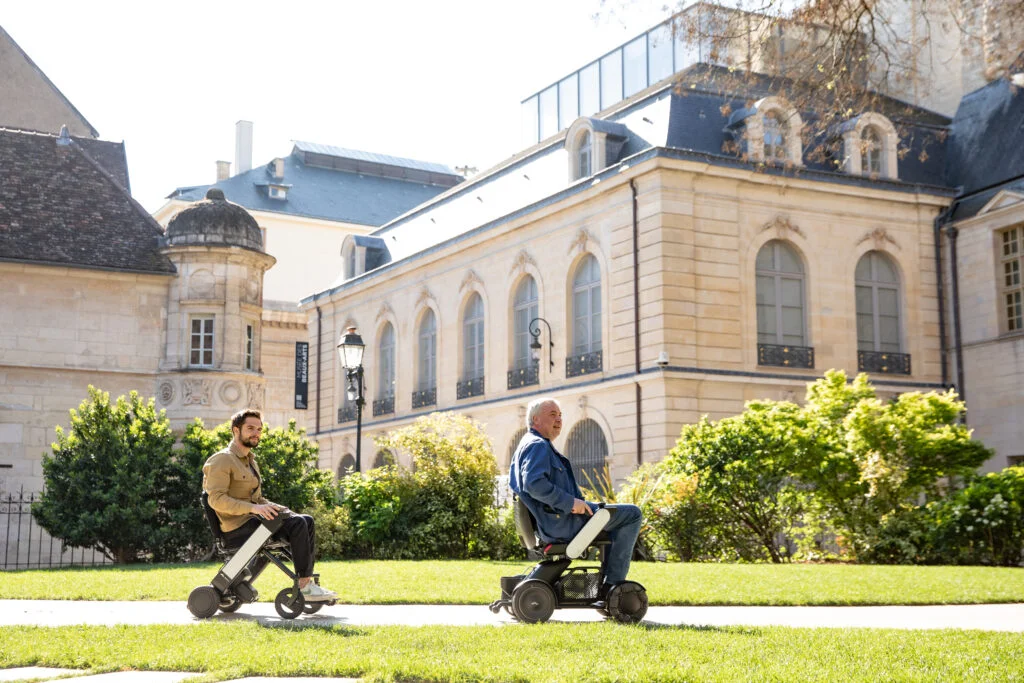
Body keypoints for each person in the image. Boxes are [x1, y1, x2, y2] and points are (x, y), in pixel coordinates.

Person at [508, 397, 642, 594]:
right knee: (632, 514)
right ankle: (613, 586)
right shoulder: (537, 445)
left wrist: (578, 503)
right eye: (552, 415)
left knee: (611, 515)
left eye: (560, 415)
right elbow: (534, 484)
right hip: (563, 524)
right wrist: (571, 503)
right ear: (535, 420)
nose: (559, 419)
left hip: (556, 521)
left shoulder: (530, 444)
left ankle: (607, 585)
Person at [202, 408, 336, 602]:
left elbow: (258, 500)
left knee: (305, 520)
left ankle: (307, 583)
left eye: (259, 429)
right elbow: (216, 500)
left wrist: (282, 510)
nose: (256, 433)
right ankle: (305, 586)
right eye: (250, 428)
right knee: (298, 524)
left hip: (254, 521)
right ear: (236, 430)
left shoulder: (250, 462)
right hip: (237, 527)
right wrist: (253, 509)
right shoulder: (221, 460)